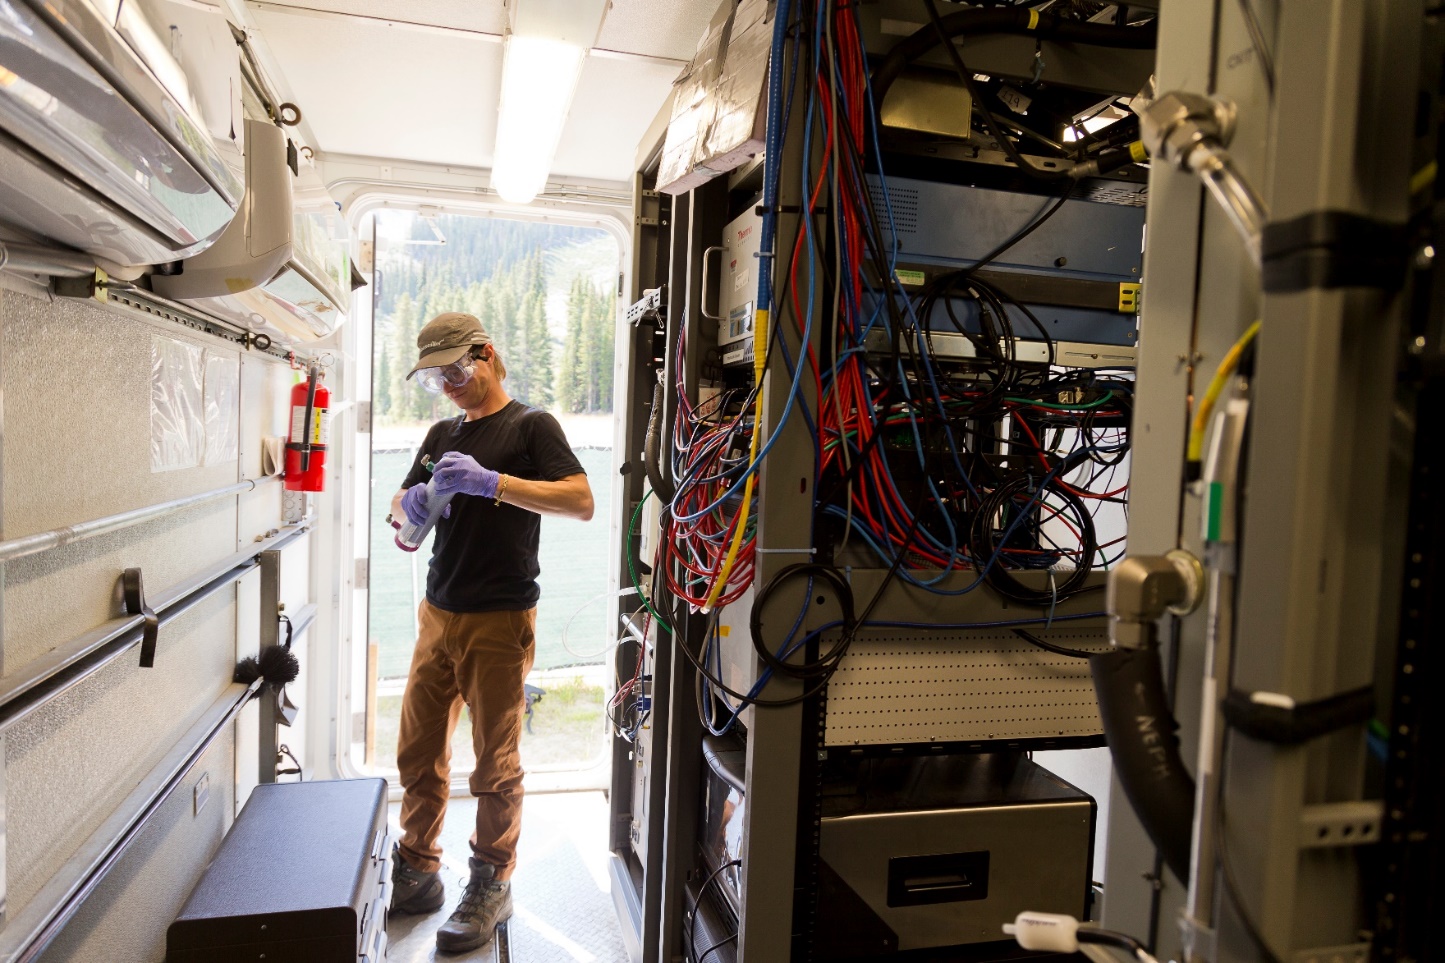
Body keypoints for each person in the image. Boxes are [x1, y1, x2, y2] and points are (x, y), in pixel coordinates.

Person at [387, 311, 594, 954]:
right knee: (419, 754)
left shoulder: (531, 426)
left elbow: (580, 499)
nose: (447, 385)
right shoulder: (442, 430)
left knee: (493, 766)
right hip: (437, 613)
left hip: (501, 619)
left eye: (455, 370)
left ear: (488, 355)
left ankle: (491, 881)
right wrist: (412, 506)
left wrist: (493, 484)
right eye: (435, 378)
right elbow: (399, 506)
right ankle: (418, 869)